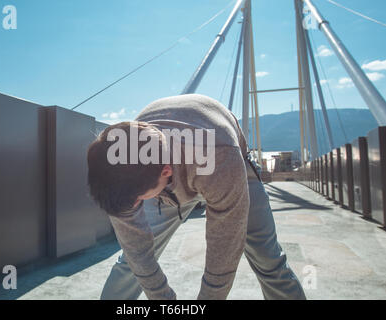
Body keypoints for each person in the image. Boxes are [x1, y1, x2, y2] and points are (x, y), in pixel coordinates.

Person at [87, 94, 306, 300]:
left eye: (139, 199)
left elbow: (225, 246)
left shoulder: (220, 157)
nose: (134, 206)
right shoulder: (118, 162)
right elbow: (137, 251)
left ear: (165, 172)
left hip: (226, 165)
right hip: (163, 175)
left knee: (268, 259)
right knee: (130, 263)